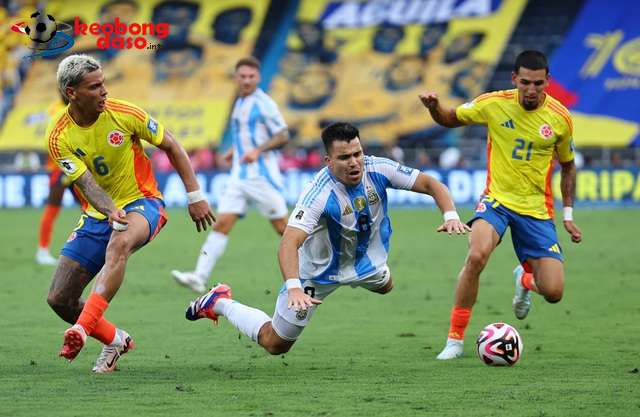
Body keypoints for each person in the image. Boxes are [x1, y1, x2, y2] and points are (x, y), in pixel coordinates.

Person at [183, 122, 470, 355]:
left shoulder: (378, 168)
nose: (354, 162)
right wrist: (294, 287)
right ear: (328, 161)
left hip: (365, 263)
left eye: (357, 153)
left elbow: (431, 183)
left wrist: (450, 216)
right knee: (275, 345)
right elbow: (288, 242)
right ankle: (220, 301)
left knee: (386, 286)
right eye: (345, 157)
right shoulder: (318, 193)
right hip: (316, 276)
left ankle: (368, 273)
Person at [46, 54, 215, 373]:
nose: (104, 91)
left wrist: (195, 195)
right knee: (59, 298)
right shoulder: (58, 137)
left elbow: (172, 146)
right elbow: (86, 182)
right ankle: (115, 339)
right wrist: (110, 210)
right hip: (99, 214)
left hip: (144, 201)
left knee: (119, 243)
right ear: (72, 93)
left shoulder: (125, 113)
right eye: (95, 87)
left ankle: (81, 330)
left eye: (104, 83)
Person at [418, 50, 583, 360]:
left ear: (547, 81)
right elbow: (450, 118)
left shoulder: (560, 118)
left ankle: (523, 279)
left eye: (538, 83)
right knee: (477, 254)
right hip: (497, 201)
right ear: (514, 80)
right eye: (525, 82)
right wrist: (434, 107)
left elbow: (568, 165)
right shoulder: (494, 103)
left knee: (554, 292)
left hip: (537, 210)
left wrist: (568, 214)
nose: (531, 90)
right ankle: (454, 340)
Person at [171, 57, 290, 293]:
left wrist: (257, 151)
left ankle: (320, 264)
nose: (246, 80)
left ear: (258, 78)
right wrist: (235, 152)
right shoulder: (240, 101)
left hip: (261, 177)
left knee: (283, 229)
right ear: (236, 78)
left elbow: (283, 135)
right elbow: (249, 135)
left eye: (251, 77)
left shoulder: (264, 103)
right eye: (242, 76)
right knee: (221, 224)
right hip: (239, 177)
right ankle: (199, 276)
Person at [36, 95, 73, 265]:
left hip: (80, 164)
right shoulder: (55, 109)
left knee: (92, 208)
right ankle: (42, 250)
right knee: (53, 207)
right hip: (60, 167)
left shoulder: (77, 105)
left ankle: (97, 248)